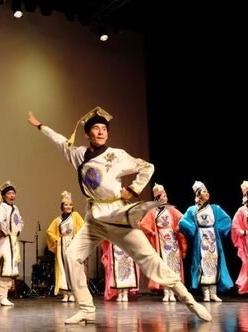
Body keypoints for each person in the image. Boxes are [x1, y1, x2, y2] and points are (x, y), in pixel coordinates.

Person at [28, 107, 211, 324]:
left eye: (104, 129)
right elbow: (59, 140)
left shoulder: (117, 155)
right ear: (87, 133)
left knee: (149, 259)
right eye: (96, 128)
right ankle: (86, 308)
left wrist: (132, 190)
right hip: (94, 219)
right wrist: (40, 126)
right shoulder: (78, 154)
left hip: (116, 216)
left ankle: (189, 300)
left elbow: (147, 167)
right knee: (71, 255)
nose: (100, 132)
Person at [179, 180, 233, 302]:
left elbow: (227, 219)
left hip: (213, 238)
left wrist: (218, 230)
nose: (207, 193)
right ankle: (206, 293)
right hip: (201, 239)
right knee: (202, 264)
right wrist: (194, 230)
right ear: (198, 195)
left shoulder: (215, 208)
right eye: (204, 191)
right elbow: (183, 222)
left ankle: (213, 293)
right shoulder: (192, 210)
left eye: (207, 191)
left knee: (214, 263)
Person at [139, 183, 187, 302]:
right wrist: (151, 232)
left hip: (172, 239)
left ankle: (174, 293)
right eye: (163, 196)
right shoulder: (153, 211)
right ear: (158, 198)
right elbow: (143, 224)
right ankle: (166, 292)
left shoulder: (171, 209)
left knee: (174, 265)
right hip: (161, 240)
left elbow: (183, 218)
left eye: (165, 196)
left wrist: (178, 227)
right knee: (164, 266)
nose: (166, 198)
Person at [46, 190, 84, 302]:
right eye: (66, 205)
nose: (68, 207)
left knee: (72, 268)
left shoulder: (75, 216)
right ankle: (65, 293)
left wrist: (77, 240)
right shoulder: (58, 220)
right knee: (62, 268)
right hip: (61, 245)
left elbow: (82, 228)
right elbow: (49, 231)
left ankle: (72, 293)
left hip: (72, 243)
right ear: (62, 207)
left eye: (70, 205)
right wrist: (57, 239)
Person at [0, 180, 24, 306]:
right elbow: (1, 221)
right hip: (5, 241)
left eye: (13, 193)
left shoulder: (15, 208)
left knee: (10, 268)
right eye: (9, 193)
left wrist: (17, 231)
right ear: (4, 196)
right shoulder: (2, 207)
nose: (12, 195)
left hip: (12, 240)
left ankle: (5, 295)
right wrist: (7, 232)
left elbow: (20, 221)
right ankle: (1, 296)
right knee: (5, 267)